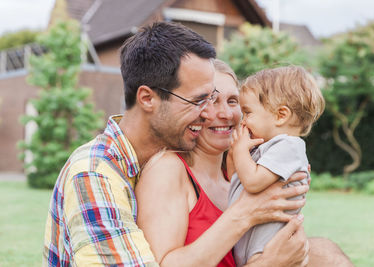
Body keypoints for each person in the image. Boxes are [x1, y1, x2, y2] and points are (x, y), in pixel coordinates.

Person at [42, 22, 308, 266]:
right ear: (147, 99)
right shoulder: (94, 174)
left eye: (230, 100)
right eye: (199, 100)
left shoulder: (154, 161)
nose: (210, 113)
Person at [136, 60, 312, 266]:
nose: (226, 114)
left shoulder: (240, 176)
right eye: (210, 100)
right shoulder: (167, 169)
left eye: (233, 101)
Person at [228, 66, 325, 266]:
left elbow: (253, 182)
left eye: (248, 113)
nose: (243, 121)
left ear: (281, 115)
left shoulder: (289, 145)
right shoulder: (267, 147)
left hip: (267, 248)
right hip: (253, 245)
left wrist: (239, 152)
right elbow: (236, 181)